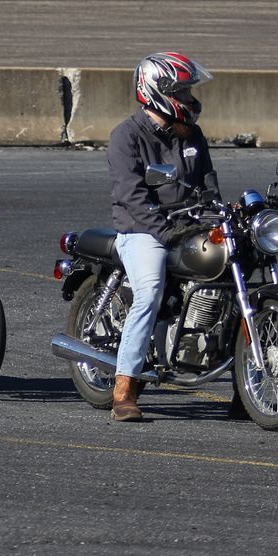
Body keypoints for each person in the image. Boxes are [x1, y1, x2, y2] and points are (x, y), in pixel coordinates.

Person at [106, 51, 221, 422]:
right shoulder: (126, 135)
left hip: (187, 225)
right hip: (143, 230)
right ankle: (124, 387)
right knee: (151, 291)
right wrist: (166, 232)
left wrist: (219, 215)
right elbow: (131, 194)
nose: (190, 100)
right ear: (158, 92)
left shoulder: (192, 134)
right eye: (183, 93)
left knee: (231, 273)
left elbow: (207, 186)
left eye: (189, 92)